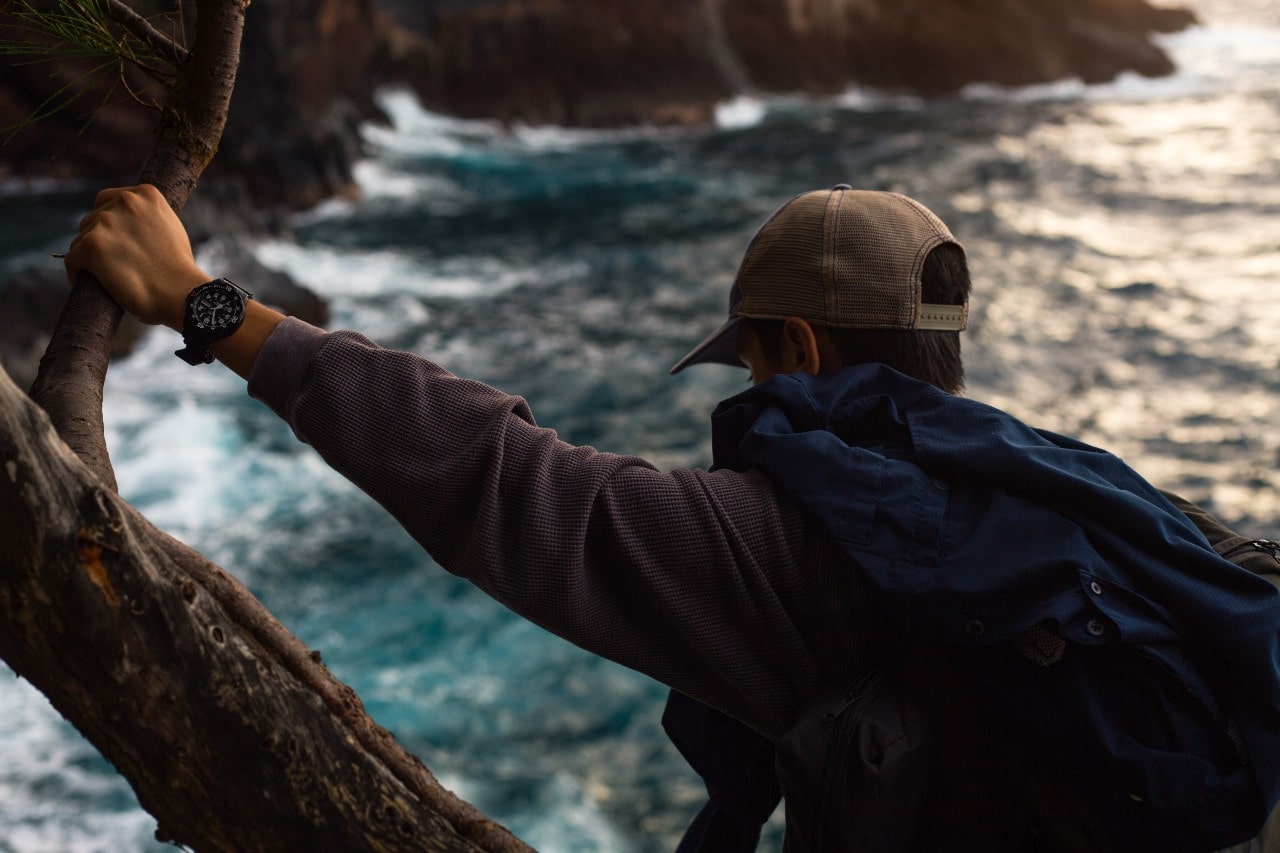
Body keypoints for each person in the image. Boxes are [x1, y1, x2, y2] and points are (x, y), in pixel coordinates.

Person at [64, 183, 1280, 851]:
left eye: (748, 361)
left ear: (794, 349)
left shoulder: (799, 539)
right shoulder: (1072, 491)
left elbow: (494, 476)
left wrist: (201, 304)